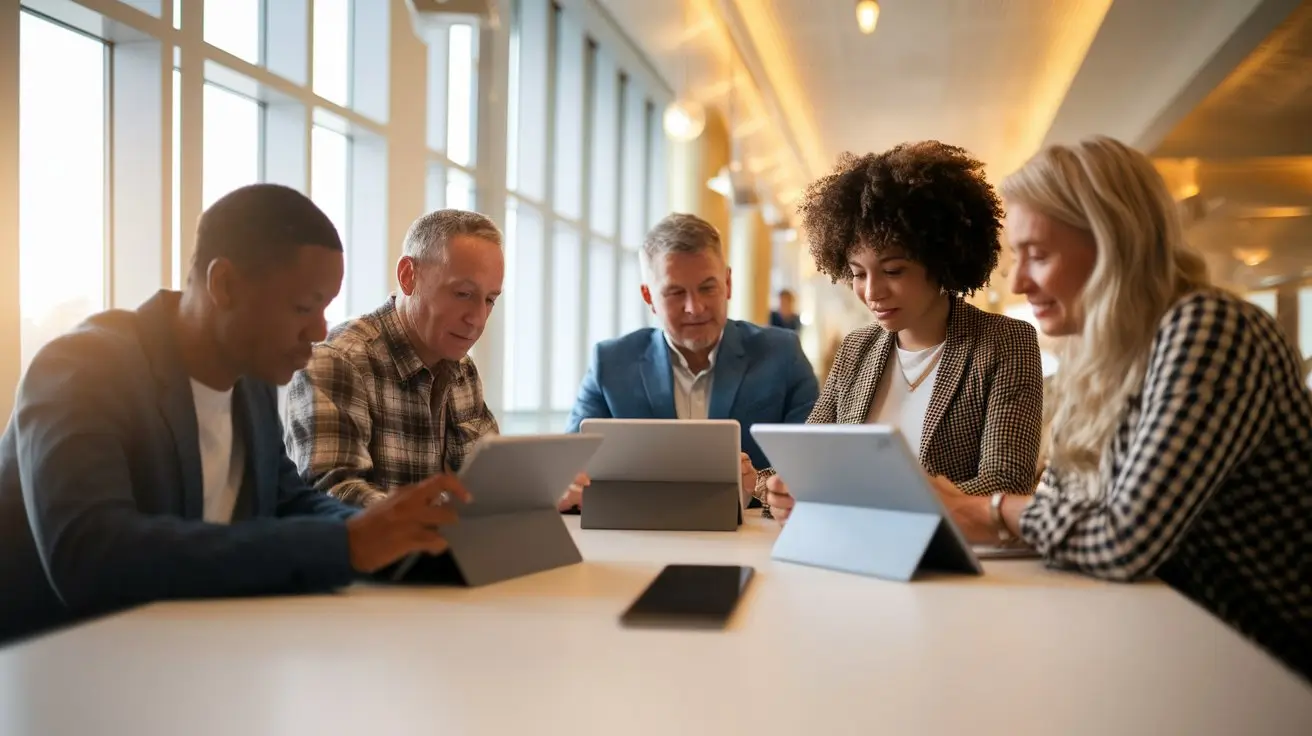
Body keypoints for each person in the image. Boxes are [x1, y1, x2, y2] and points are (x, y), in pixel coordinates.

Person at [0, 184, 468, 645]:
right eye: (303, 307)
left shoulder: (251, 382)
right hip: (57, 675)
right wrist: (346, 545)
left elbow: (286, 501)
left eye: (325, 309)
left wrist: (396, 530)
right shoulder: (82, 369)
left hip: (187, 655)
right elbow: (92, 556)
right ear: (223, 284)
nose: (320, 329)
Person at [929, 136, 1310, 679]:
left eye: (1039, 254)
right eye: (1018, 257)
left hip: (1268, 666)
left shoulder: (1208, 327)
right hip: (1168, 645)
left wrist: (985, 511)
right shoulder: (1098, 355)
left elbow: (1122, 539)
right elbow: (1067, 505)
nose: (1018, 282)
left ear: (1114, 244)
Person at [762, 142, 1044, 516]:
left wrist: (855, 500)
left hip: (948, 562)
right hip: (849, 551)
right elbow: (810, 462)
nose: (872, 292)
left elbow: (1005, 482)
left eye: (893, 271)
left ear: (941, 262)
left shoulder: (1005, 343)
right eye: (858, 274)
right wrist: (767, 483)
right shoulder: (856, 349)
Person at [285, 210, 586, 512]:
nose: (478, 319)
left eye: (489, 299)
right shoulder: (338, 362)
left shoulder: (462, 370)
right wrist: (473, 507)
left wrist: (533, 491)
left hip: (452, 554)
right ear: (408, 276)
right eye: (463, 293)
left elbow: (488, 482)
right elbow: (335, 497)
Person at [566, 213, 819, 507]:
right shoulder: (610, 364)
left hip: (753, 543)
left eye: (707, 288)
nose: (695, 307)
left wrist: (759, 483)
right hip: (638, 540)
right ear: (648, 297)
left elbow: (815, 468)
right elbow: (570, 469)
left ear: (728, 283)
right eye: (675, 292)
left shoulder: (782, 354)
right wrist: (572, 486)